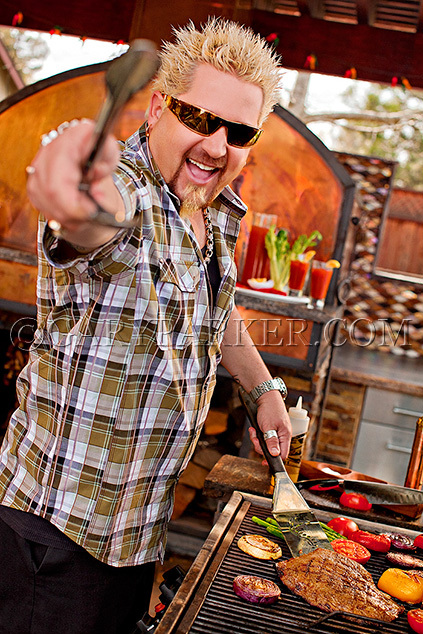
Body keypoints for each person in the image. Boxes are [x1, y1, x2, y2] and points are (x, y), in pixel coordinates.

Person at [0, 17, 291, 634]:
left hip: (137, 536)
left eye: (239, 131)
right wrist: (71, 200)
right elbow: (91, 221)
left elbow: (214, 310)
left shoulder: (211, 214)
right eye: (199, 119)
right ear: (159, 106)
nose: (217, 146)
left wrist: (264, 390)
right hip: (55, 542)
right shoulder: (127, 190)